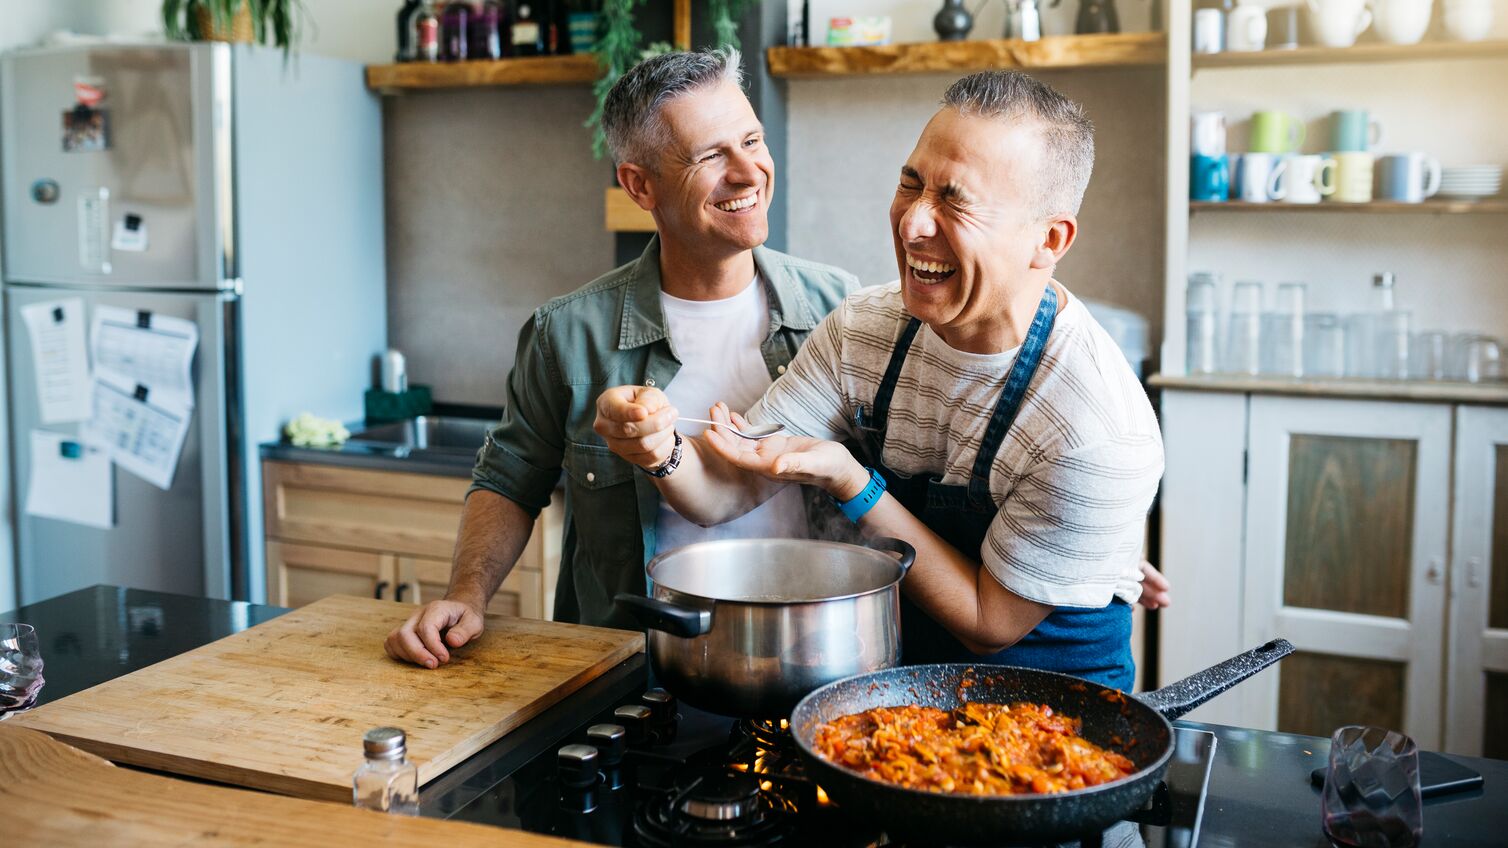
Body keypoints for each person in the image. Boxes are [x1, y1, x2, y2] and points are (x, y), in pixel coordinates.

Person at [593, 70, 1164, 690]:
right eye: (910, 184)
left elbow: (988, 622)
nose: (912, 224)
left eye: (955, 201)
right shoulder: (865, 330)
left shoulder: (1095, 428)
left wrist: (852, 483)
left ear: (1048, 239)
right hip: (897, 692)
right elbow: (726, 491)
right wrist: (660, 451)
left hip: (1048, 711)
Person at [384, 48, 859, 668]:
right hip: (636, 674)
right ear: (640, 184)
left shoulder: (842, 308)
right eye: (711, 156)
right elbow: (507, 480)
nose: (749, 172)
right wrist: (466, 595)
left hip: (815, 661)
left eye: (752, 141)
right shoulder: (566, 333)